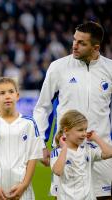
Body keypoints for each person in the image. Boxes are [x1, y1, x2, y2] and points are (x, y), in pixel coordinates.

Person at [33, 21, 112, 199]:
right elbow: (43, 107)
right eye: (74, 40)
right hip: (66, 150)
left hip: (99, 151)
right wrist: (40, 145)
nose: (74, 46)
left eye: (82, 43)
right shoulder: (58, 67)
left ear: (95, 47)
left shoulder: (109, 69)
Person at [0, 77, 43, 200]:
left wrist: (24, 185)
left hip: (22, 191)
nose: (7, 96)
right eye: (2, 93)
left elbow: (33, 159)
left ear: (17, 95)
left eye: (11, 92)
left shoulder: (29, 124)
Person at [50, 110, 112, 200]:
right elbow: (57, 171)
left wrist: (96, 138)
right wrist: (64, 148)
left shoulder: (88, 148)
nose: (84, 133)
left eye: (85, 129)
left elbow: (109, 153)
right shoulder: (58, 152)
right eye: (80, 130)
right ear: (66, 130)